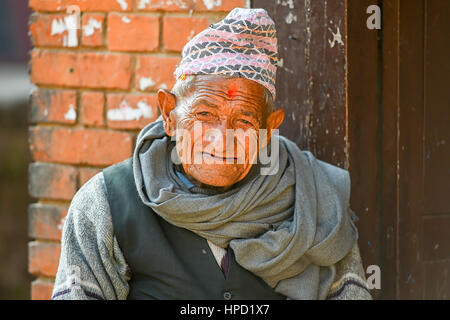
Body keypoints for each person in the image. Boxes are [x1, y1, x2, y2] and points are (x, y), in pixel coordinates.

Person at [52, 8, 372, 300]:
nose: (222, 142)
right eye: (205, 115)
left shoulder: (316, 202)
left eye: (244, 120)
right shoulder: (107, 203)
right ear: (169, 114)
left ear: (268, 129)